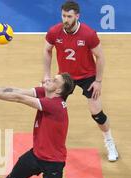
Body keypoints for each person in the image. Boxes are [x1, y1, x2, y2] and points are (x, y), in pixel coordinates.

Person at [43, 1, 119, 162]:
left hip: (87, 76)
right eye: (63, 15)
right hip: (64, 77)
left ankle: (109, 141)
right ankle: (48, 144)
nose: (66, 19)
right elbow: (47, 50)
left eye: (69, 16)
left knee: (97, 113)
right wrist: (46, 75)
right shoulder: (54, 32)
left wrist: (98, 81)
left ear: (77, 16)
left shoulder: (88, 34)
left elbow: (100, 57)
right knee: (49, 108)